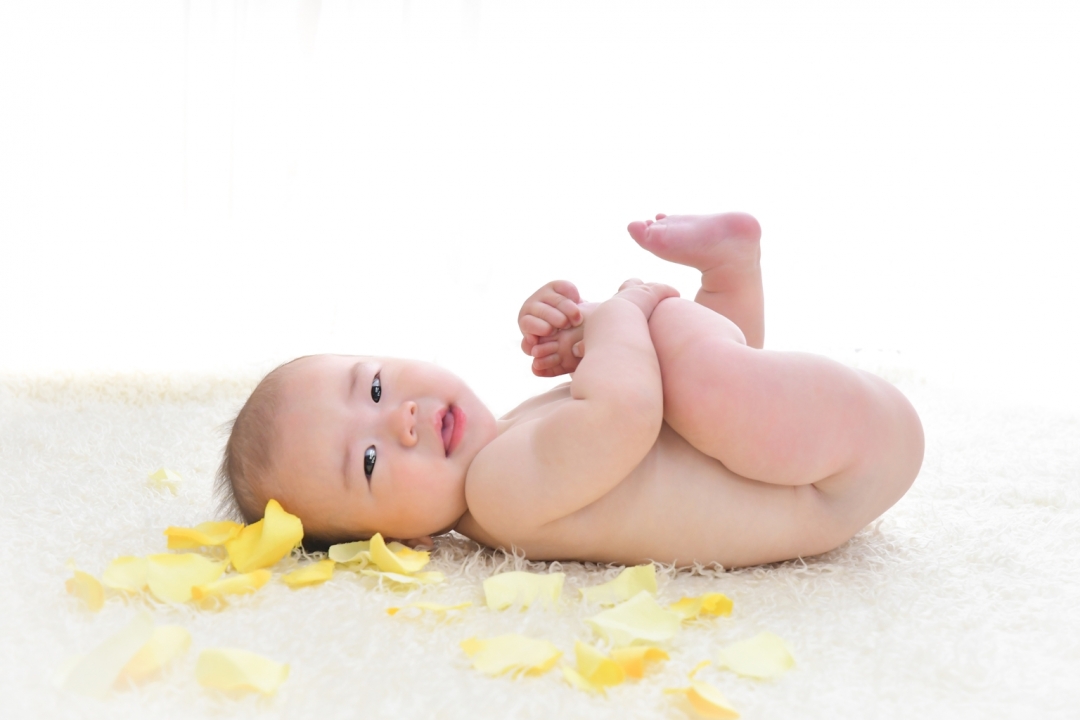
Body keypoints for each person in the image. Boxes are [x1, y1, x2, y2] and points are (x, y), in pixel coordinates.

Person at [217, 212, 924, 568]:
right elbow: (629, 409)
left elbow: (632, 403)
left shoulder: (509, 450)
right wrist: (616, 314)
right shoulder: (498, 493)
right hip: (831, 473)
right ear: (405, 541)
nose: (399, 418)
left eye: (373, 388)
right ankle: (724, 277)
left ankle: (730, 278)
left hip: (809, 462)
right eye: (369, 461)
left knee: (710, 394)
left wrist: (583, 343)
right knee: (698, 383)